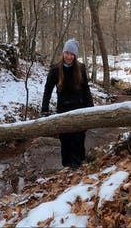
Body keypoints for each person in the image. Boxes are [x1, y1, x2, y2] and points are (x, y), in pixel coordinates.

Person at [41, 38, 94, 169]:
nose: (69, 57)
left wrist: (90, 108)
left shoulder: (80, 69)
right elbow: (48, 90)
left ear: (75, 55)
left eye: (72, 54)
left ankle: (77, 166)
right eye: (67, 53)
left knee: (78, 138)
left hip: (79, 109)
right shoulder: (55, 70)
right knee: (65, 139)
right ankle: (66, 166)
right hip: (63, 109)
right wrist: (44, 109)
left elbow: (86, 89)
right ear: (63, 53)